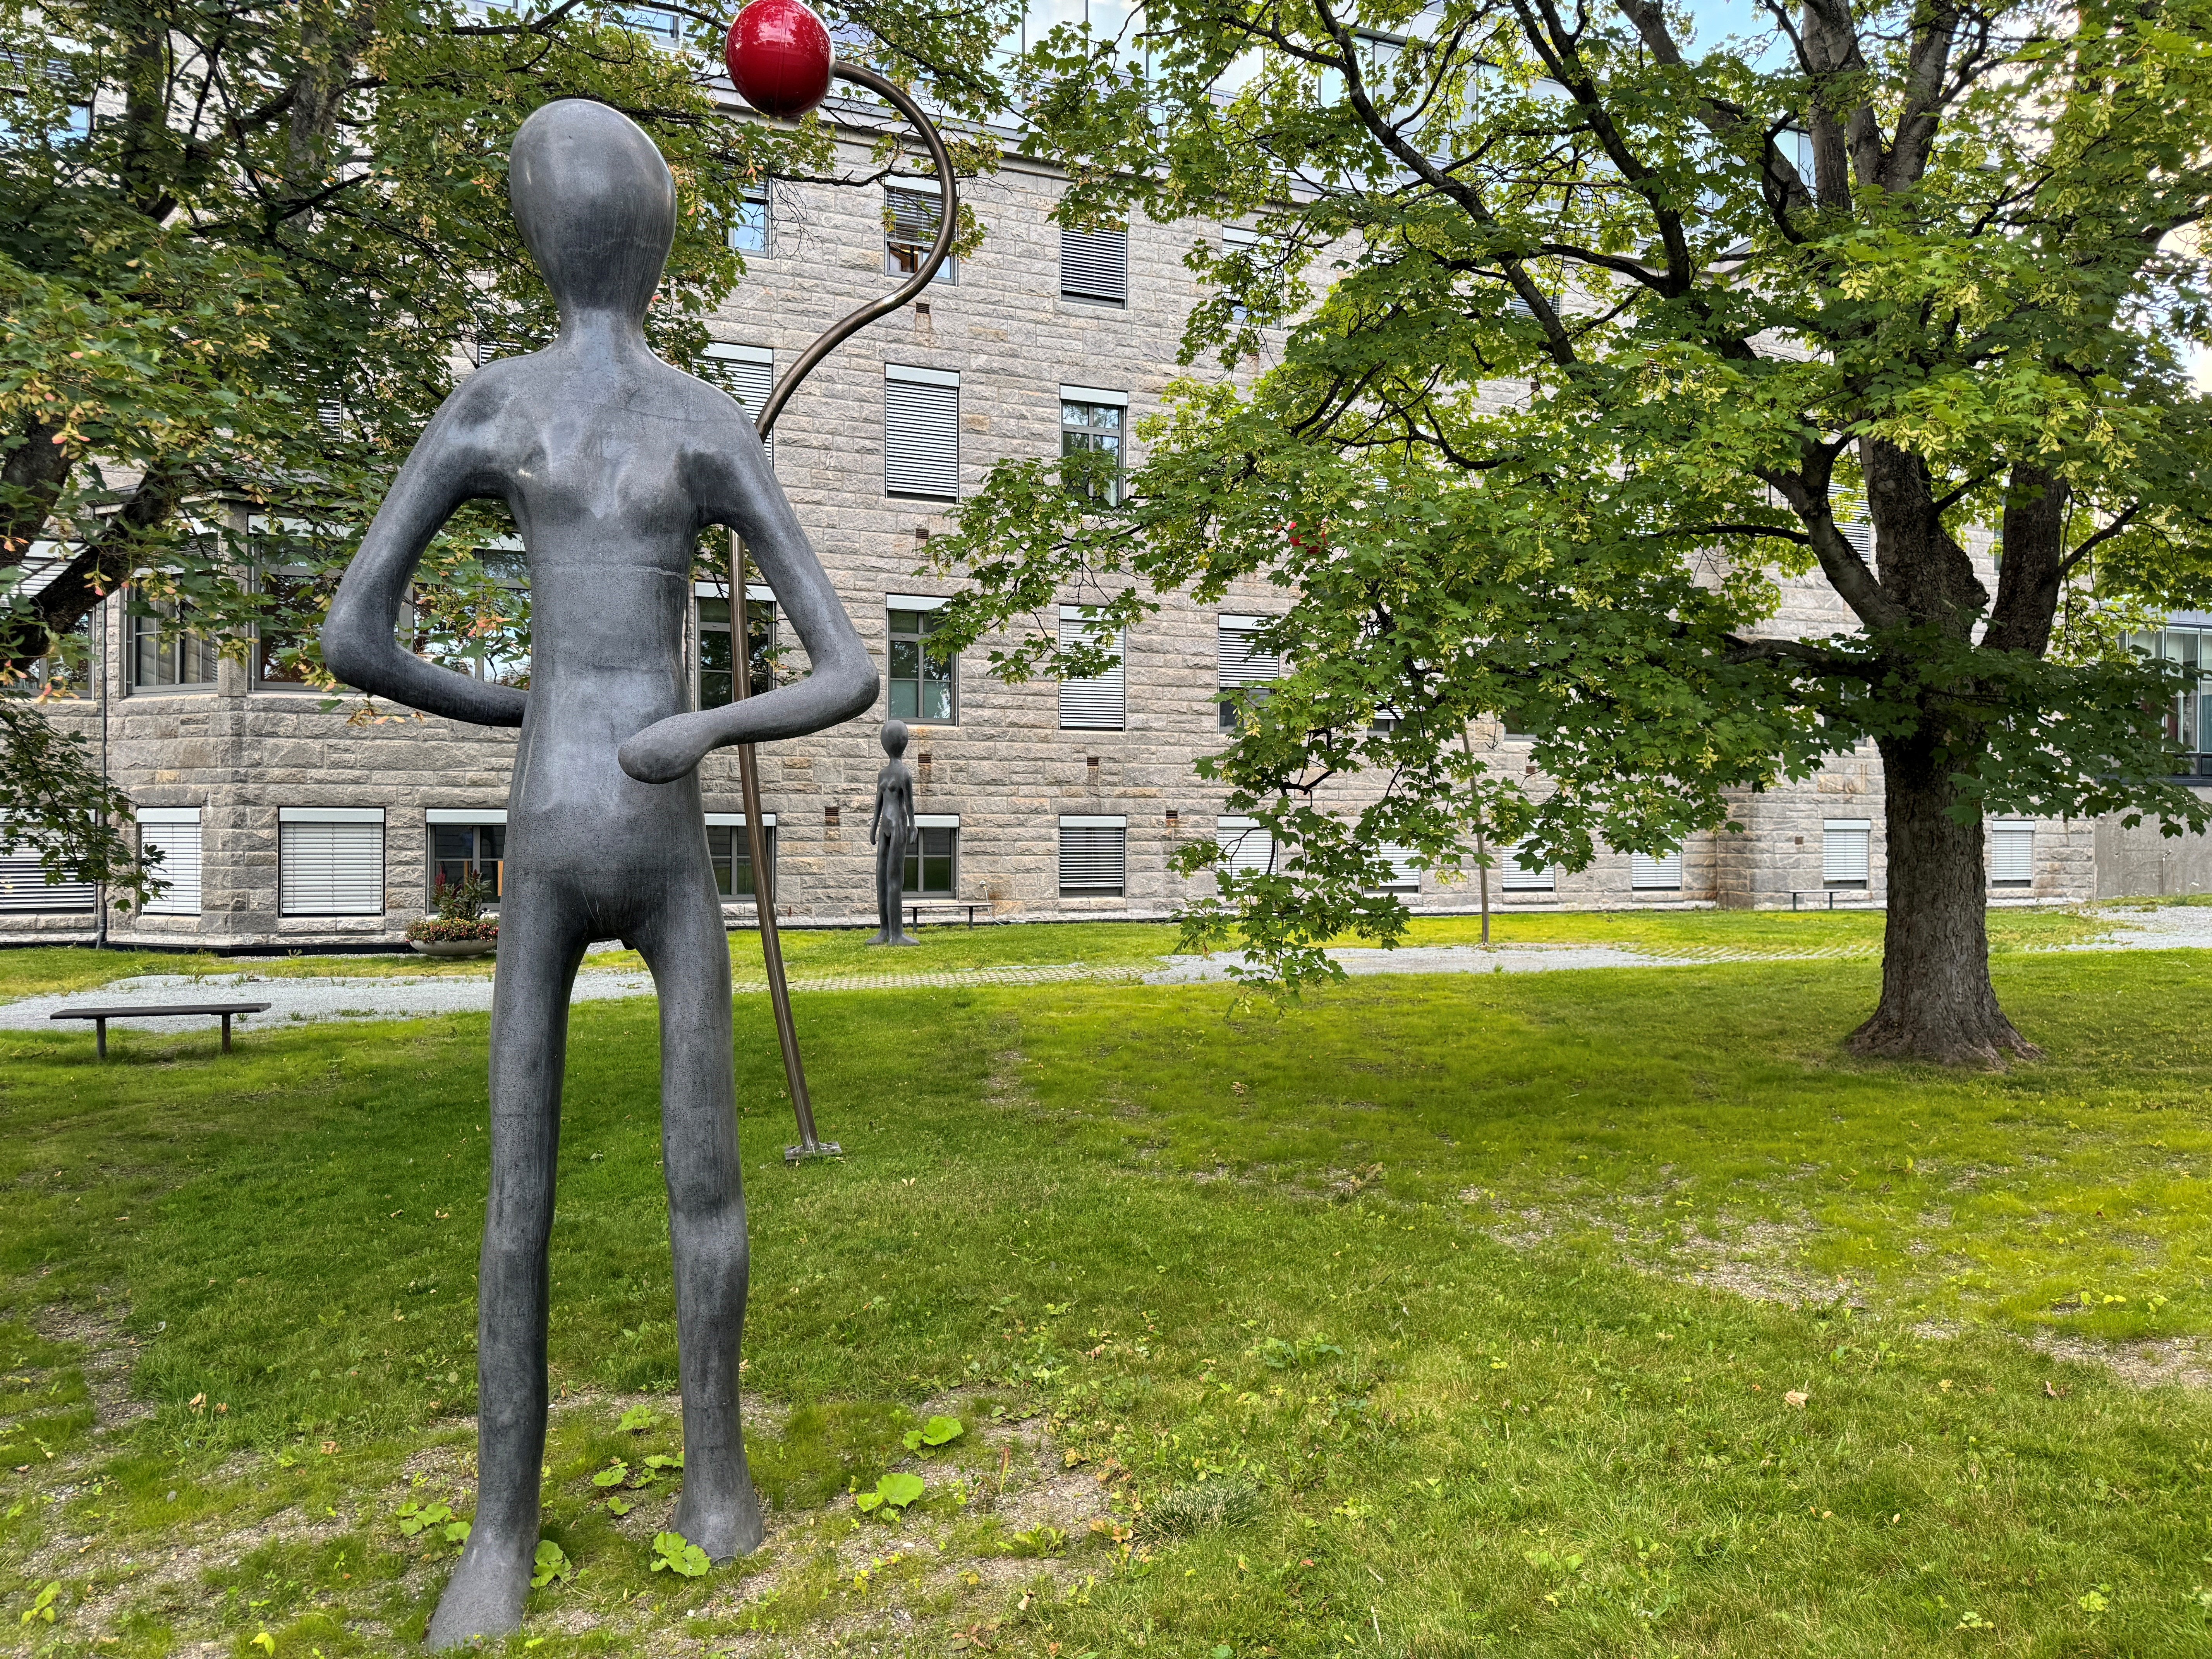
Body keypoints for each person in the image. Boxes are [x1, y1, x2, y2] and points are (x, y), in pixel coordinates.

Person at [320, 98, 875, 1649]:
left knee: (532, 1190)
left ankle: (509, 1539)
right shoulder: (702, 419)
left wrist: (524, 711)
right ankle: (704, 1490)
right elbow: (847, 670)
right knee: (690, 1178)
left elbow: (357, 635)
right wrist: (692, 725)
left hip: (561, 826)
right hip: (653, 826)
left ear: (532, 232)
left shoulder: (494, 407)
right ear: (662, 238)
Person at [867, 718, 919, 945]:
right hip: (885, 828)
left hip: (898, 825)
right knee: (881, 877)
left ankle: (897, 934)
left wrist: (913, 825)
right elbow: (878, 803)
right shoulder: (883, 774)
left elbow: (909, 804)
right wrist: (873, 826)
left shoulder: (904, 774)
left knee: (894, 878)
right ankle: (884, 931)